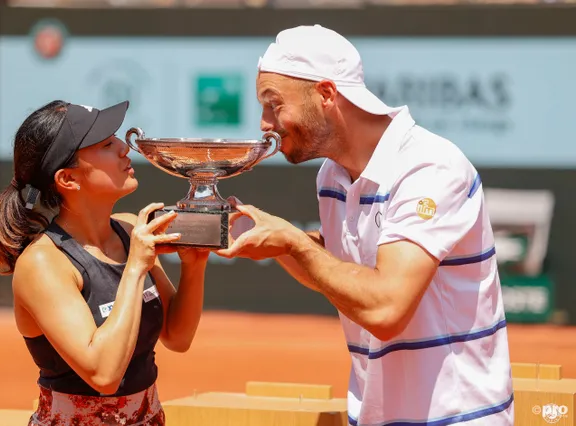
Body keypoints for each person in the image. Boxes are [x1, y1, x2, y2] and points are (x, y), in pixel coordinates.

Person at [218, 25, 513, 425]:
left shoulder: (429, 167)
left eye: (274, 104)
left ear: (326, 94)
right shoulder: (330, 176)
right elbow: (346, 272)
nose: (265, 123)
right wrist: (279, 244)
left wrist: (294, 243)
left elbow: (386, 307)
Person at [0, 100, 210, 425]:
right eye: (106, 144)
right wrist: (134, 268)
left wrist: (194, 264)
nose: (124, 148)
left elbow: (177, 336)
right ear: (68, 179)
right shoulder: (43, 263)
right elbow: (102, 373)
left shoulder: (130, 229)